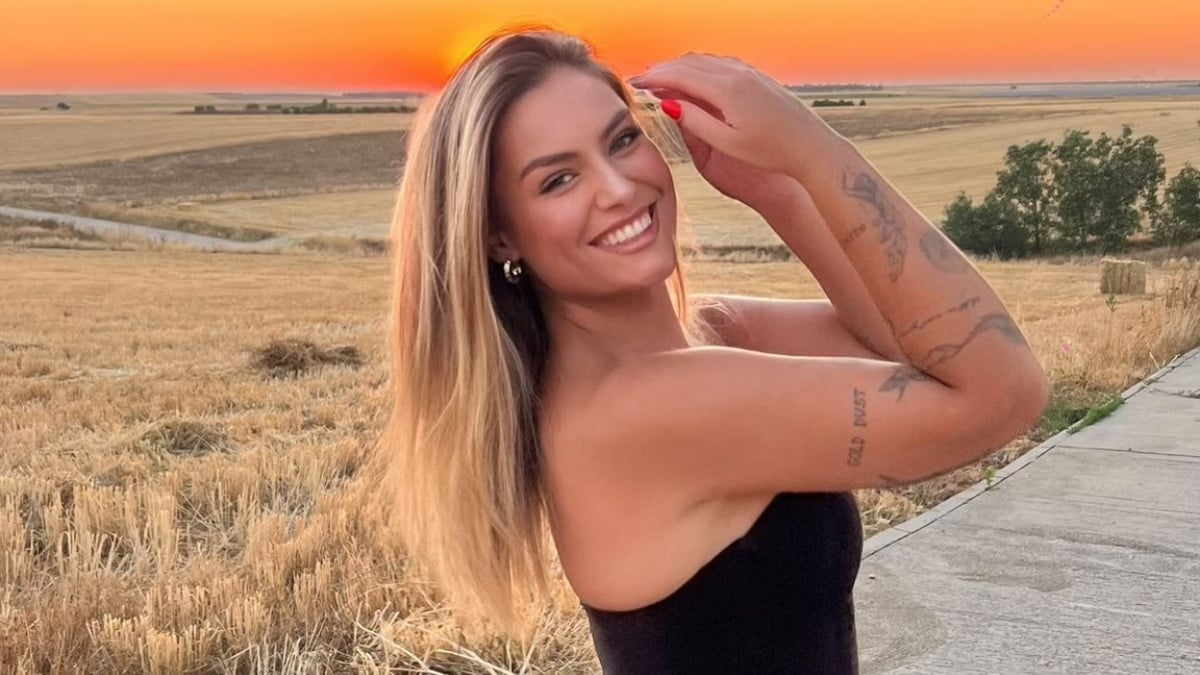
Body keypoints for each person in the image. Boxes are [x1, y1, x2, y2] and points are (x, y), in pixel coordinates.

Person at [369, 23, 1049, 674]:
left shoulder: (705, 339)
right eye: (558, 180)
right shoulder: (645, 408)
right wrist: (814, 149)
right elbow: (1003, 393)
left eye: (622, 140)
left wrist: (779, 191)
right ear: (499, 237)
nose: (618, 188)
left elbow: (904, 344)